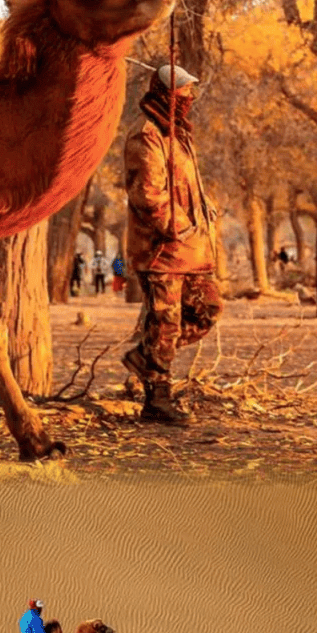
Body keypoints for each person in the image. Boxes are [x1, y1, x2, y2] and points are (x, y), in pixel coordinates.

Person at [121, 64, 223, 424]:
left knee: (207, 309)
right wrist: (178, 229)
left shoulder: (178, 134)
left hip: (190, 250)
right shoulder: (147, 134)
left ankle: (145, 358)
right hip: (162, 250)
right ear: (168, 93)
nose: (190, 98)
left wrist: (204, 215)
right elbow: (149, 195)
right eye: (184, 91)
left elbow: (186, 187)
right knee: (166, 324)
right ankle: (157, 400)